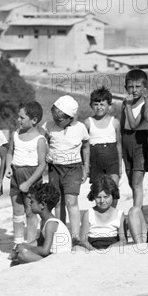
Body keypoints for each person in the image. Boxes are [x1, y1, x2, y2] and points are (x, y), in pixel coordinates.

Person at [42, 95, 90, 243]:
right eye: (55, 118)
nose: (57, 121)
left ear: (70, 117)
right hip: (54, 168)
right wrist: (46, 153)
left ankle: (75, 235)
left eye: (60, 119)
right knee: (57, 202)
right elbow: (43, 142)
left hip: (73, 168)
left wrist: (86, 167)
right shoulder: (49, 126)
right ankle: (60, 233)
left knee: (71, 201)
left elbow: (86, 146)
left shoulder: (80, 128)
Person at [4, 101, 47, 244]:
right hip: (16, 175)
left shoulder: (40, 140)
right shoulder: (15, 134)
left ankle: (30, 244)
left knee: (31, 212)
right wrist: (9, 167)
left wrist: (28, 183)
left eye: (22, 118)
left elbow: (42, 165)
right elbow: (10, 153)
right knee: (17, 212)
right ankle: (17, 244)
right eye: (18, 117)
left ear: (34, 120)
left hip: (32, 178)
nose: (18, 120)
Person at [10, 182, 71, 264]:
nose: (29, 203)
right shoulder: (45, 220)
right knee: (18, 256)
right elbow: (40, 241)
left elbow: (45, 250)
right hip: (52, 256)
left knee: (23, 255)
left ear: (42, 205)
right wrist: (21, 246)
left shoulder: (51, 223)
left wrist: (26, 247)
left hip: (59, 260)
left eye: (32, 201)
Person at [121, 69, 148, 208]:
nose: (134, 90)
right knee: (130, 182)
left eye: (138, 87)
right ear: (125, 87)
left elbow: (134, 125)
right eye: (130, 87)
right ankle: (136, 210)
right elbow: (123, 125)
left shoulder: (146, 103)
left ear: (145, 88)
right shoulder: (125, 102)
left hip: (140, 142)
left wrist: (128, 106)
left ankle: (138, 212)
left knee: (137, 182)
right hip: (126, 142)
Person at [84, 87, 122, 193]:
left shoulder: (115, 122)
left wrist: (120, 166)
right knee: (99, 190)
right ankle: (101, 209)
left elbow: (119, 145)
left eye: (102, 104)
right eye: (96, 104)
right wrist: (86, 167)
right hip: (95, 160)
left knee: (113, 187)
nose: (99, 107)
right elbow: (85, 147)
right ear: (91, 105)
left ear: (109, 106)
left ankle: (113, 209)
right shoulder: (88, 122)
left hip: (112, 159)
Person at [77, 175, 126, 251]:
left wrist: (109, 249)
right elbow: (83, 240)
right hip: (92, 249)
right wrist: (94, 251)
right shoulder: (88, 214)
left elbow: (123, 241)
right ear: (93, 196)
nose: (102, 201)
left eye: (106, 197)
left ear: (113, 195)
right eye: (98, 197)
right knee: (76, 249)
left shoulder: (119, 215)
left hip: (112, 250)